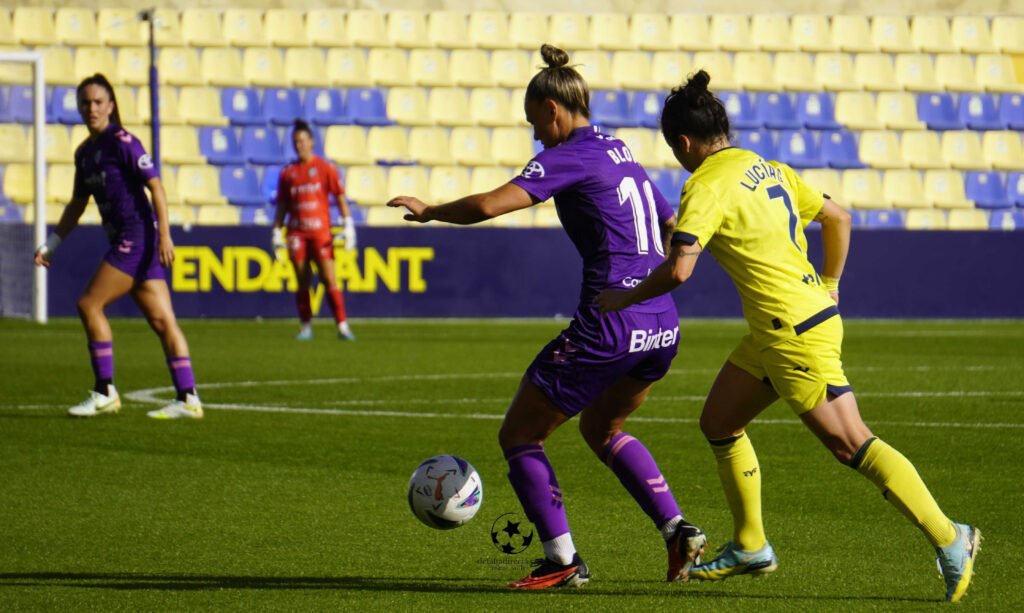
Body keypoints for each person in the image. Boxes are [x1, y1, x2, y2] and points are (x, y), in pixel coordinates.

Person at [597, 70, 979, 602]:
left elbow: (680, 269)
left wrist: (625, 297)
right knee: (719, 422)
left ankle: (951, 536)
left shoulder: (705, 183)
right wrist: (831, 284)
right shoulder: (766, 167)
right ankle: (751, 544)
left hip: (791, 332)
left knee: (851, 443)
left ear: (683, 143)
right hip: (787, 322)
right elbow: (838, 218)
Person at [388, 44, 705, 590]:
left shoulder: (570, 154)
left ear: (553, 110)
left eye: (535, 122)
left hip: (612, 323)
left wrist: (432, 210)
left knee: (520, 434)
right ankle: (677, 530)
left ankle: (562, 561)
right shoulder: (619, 150)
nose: (536, 135)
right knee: (603, 428)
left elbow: (490, 205)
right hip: (661, 322)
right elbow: (671, 219)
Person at [34, 74, 202, 420]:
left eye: (98, 102)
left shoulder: (123, 142)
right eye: (85, 103)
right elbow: (77, 204)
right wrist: (51, 244)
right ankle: (188, 398)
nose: (91, 108)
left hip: (136, 237)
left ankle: (105, 391)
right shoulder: (84, 154)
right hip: (132, 241)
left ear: (111, 106)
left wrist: (165, 235)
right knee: (163, 320)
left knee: (89, 304)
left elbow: (156, 187)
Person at [272, 119, 356, 341]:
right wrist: (276, 230)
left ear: (312, 142)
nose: (298, 145)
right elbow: (282, 205)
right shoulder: (288, 173)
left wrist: (348, 224)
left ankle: (342, 325)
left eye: (302, 141)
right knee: (302, 280)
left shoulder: (325, 168)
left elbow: (339, 197)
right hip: (297, 233)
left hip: (320, 233)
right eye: (295, 142)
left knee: (329, 278)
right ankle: (306, 326)